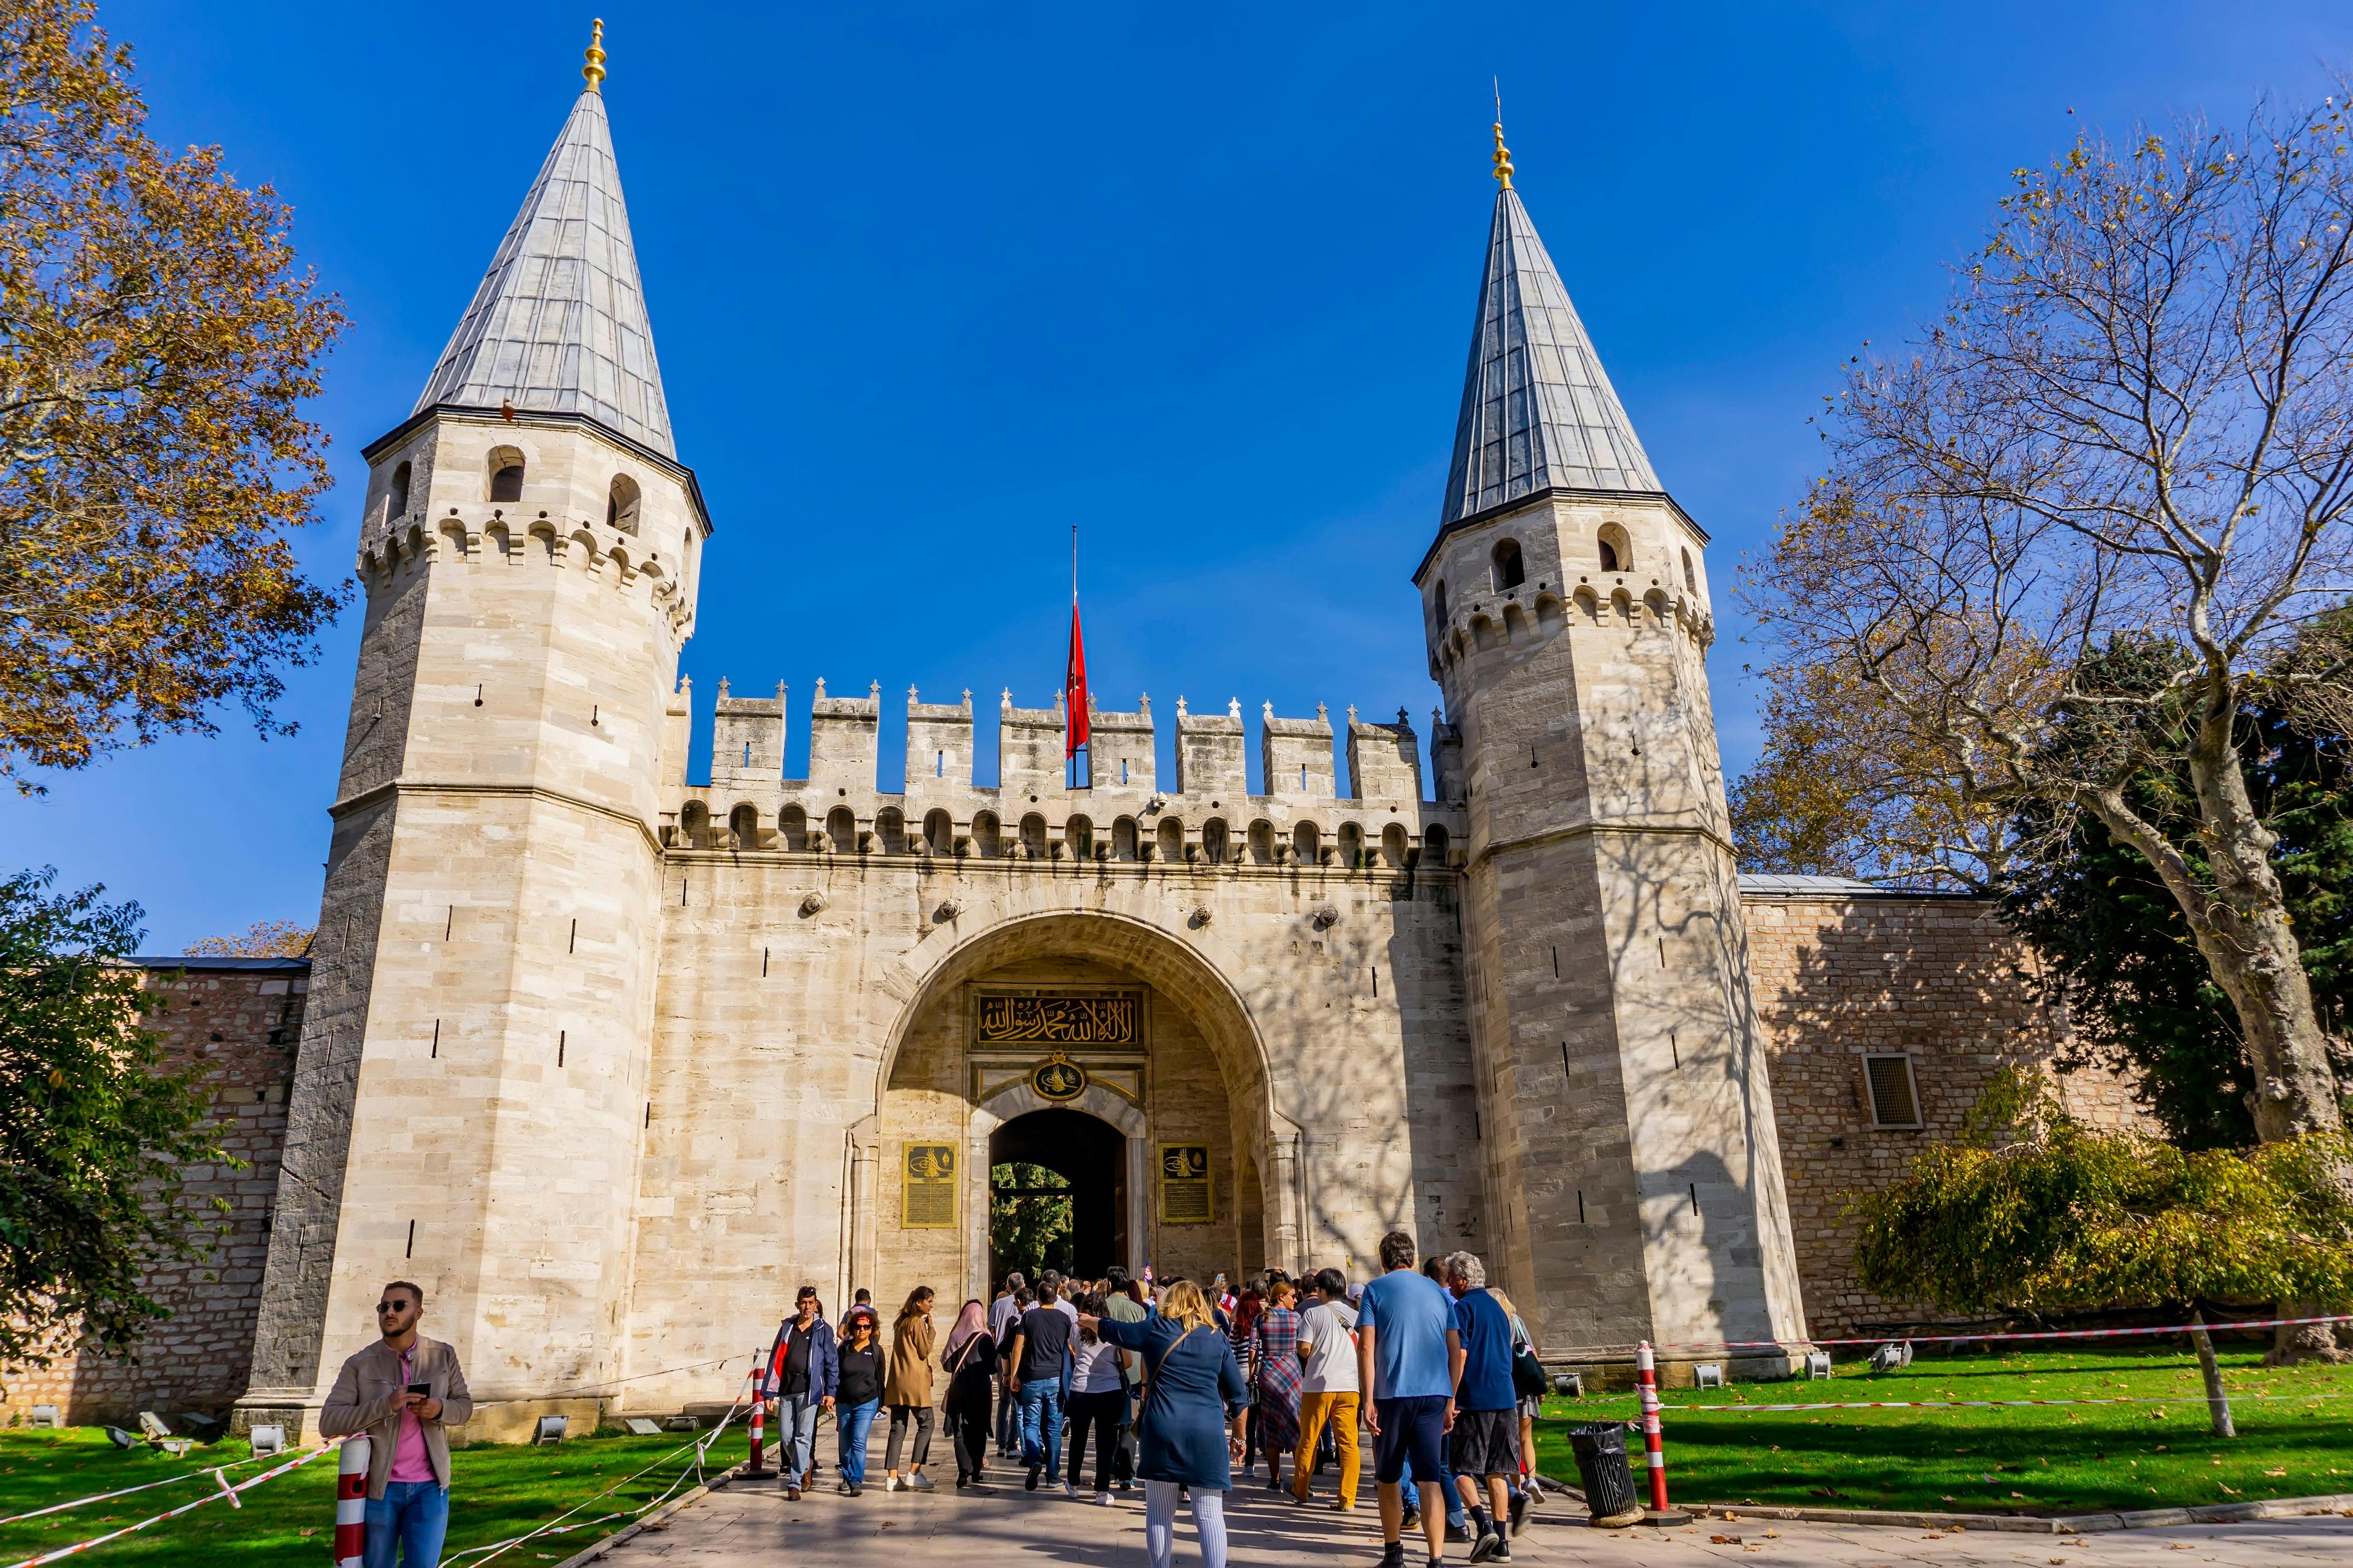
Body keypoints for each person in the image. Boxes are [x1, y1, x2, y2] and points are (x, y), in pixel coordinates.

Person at [1079, 1281, 1247, 1568]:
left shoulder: (1156, 1329)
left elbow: (1118, 1331)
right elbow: (1239, 1396)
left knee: (1159, 1512)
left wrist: (1091, 1320)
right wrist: (1240, 1438)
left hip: (1163, 1429)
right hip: (1206, 1433)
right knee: (1209, 1513)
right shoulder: (1216, 1337)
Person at [321, 1280, 475, 1568]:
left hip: (431, 1487)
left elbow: (465, 1408)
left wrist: (440, 1409)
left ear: (418, 1313)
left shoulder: (443, 1355)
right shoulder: (360, 1363)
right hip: (381, 1489)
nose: (389, 1312)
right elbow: (329, 1422)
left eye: (399, 1306)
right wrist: (387, 1405)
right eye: (384, 1307)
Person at [1358, 1233, 1456, 1567]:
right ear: (1413, 1259)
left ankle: (1393, 1554)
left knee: (1388, 1477)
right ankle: (1436, 1558)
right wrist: (1451, 1397)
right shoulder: (1438, 1292)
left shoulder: (1374, 1290)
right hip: (1433, 1392)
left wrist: (1367, 1399)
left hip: (1392, 1394)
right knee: (1430, 1478)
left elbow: (1367, 1347)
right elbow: (1455, 1348)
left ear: (1383, 1262)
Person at [1443, 1252, 1518, 1563]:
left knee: (1459, 1468)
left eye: (1450, 1278)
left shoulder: (1463, 1308)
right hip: (1505, 1396)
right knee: (1496, 1470)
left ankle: (1482, 1523)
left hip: (1475, 1399)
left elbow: (1459, 1355)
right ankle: (1502, 1543)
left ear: (1462, 1280)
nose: (1447, 1283)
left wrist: (1451, 1397)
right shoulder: (1499, 1309)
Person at [1399, 1258, 1469, 1545]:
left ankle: (1418, 1508)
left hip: (1422, 1390)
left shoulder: (1434, 1303)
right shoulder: (1448, 1303)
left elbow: (1458, 1352)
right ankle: (1457, 1523)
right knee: (1440, 1465)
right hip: (1443, 1389)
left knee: (1421, 1462)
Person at [1293, 1267, 1360, 1512]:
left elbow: (1304, 1348)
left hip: (1318, 1386)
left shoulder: (1313, 1315)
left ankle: (1301, 1490)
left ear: (1321, 1290)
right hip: (1350, 1387)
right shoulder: (1355, 1316)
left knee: (1308, 1441)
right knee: (1349, 1444)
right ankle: (1347, 1498)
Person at [763, 1285, 837, 1501]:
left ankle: (794, 1483)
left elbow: (832, 1362)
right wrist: (769, 1392)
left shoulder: (823, 1329)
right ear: (798, 1305)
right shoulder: (788, 1327)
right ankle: (805, 1463)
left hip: (810, 1391)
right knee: (786, 1436)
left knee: (803, 1436)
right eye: (804, 1303)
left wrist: (831, 1391)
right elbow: (775, 1358)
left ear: (816, 1305)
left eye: (811, 1303)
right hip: (787, 1389)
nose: (808, 1307)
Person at [1006, 1275, 1075, 1489]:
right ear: (1056, 1297)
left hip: (1032, 1378)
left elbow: (1018, 1348)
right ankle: (1053, 1475)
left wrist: (1014, 1375)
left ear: (1037, 1297)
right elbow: (1071, 1349)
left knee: (1031, 1424)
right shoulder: (1064, 1319)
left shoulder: (1028, 1317)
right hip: (1055, 1378)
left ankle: (1035, 1459)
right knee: (1054, 1429)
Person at [1483, 1287, 1544, 1527]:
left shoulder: (1493, 1322)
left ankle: (1516, 1492)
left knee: (1509, 1444)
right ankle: (1532, 1480)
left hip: (1506, 1389)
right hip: (1526, 1389)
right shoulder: (1517, 1321)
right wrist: (1540, 1386)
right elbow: (1532, 1352)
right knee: (1526, 1438)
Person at [1066, 1290, 1127, 1503]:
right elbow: (1126, 1362)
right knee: (1106, 1443)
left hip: (1081, 1389)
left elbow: (1072, 1346)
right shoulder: (1111, 1330)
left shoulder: (1077, 1328)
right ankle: (1102, 1491)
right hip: (1109, 1389)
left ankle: (1073, 1483)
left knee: (1079, 1439)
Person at [1249, 1279, 1303, 1493]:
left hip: (1269, 1375)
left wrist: (1253, 1375)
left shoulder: (1262, 1318)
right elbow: (1304, 1346)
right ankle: (1300, 1478)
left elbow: (1252, 1349)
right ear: (1281, 1296)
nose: (1296, 1299)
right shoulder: (1296, 1318)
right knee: (1297, 1426)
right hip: (1292, 1375)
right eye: (1292, 1295)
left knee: (1270, 1428)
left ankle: (1275, 1479)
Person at [885, 1286, 938, 1492]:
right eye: (929, 1301)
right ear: (919, 1302)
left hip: (898, 1382)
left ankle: (892, 1478)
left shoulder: (901, 1323)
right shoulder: (917, 1323)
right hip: (914, 1382)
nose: (931, 1305)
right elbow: (924, 1351)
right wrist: (931, 1330)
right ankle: (914, 1472)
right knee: (927, 1422)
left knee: (898, 1427)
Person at [941, 1299, 996, 1488]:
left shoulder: (956, 1336)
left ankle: (963, 1472)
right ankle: (976, 1471)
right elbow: (992, 1367)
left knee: (960, 1429)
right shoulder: (986, 1338)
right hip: (980, 1390)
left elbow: (947, 1366)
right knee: (979, 1429)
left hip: (959, 1390)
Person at [834, 1306, 885, 1495]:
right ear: (852, 1328)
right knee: (846, 1444)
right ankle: (847, 1477)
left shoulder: (877, 1351)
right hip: (845, 1401)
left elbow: (881, 1376)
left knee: (859, 1440)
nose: (862, 1330)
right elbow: (835, 1374)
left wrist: (881, 1400)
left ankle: (856, 1480)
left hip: (867, 1401)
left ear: (872, 1329)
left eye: (866, 1327)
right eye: (858, 1326)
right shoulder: (844, 1350)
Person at [989, 1273, 1027, 1457]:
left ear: (1007, 1286)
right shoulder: (1028, 1304)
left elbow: (993, 1329)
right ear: (1024, 1285)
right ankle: (1013, 1444)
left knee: (1003, 1401)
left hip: (1001, 1355)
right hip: (1018, 1357)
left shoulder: (998, 1304)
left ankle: (1001, 1444)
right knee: (1016, 1402)